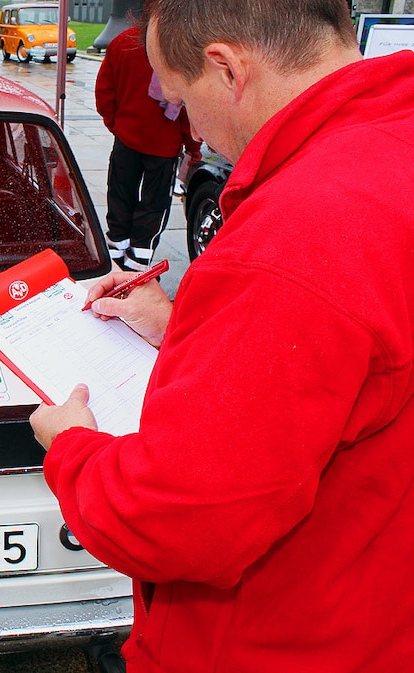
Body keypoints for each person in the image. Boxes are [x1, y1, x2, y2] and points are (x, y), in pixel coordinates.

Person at [30, 0, 414, 670]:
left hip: (286, 639)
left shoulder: (289, 237)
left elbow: (179, 519)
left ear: (227, 69)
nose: (191, 130)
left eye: (179, 103)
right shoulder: (390, 141)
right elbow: (352, 352)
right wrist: (184, 326)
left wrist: (72, 449)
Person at [95, 25, 199, 272]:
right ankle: (138, 263)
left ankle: (117, 253)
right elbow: (189, 105)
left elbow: (104, 91)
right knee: (154, 205)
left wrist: (117, 125)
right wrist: (192, 145)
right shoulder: (180, 44)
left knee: (120, 193)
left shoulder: (122, 41)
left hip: (127, 137)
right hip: (165, 144)